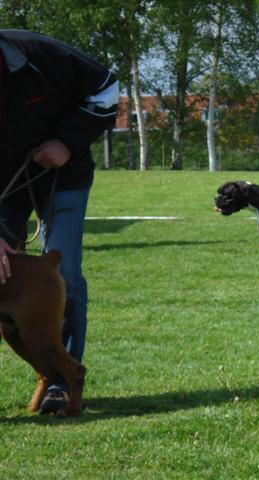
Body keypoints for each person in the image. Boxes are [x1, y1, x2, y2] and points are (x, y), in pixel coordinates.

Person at [0, 30, 118, 413]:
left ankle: (63, 382)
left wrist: (68, 141)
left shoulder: (40, 54)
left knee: (62, 272)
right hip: (4, 188)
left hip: (64, 177)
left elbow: (107, 90)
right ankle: (47, 373)